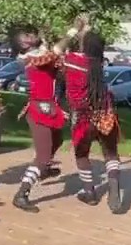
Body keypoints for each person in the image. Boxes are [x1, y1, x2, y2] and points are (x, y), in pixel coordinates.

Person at [10, 17, 83, 211]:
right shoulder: (31, 59)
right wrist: (72, 31)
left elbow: (57, 61)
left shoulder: (37, 54)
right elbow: (55, 53)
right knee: (43, 156)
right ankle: (22, 194)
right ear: (24, 43)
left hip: (48, 107)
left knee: (57, 140)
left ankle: (42, 169)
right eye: (28, 35)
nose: (32, 35)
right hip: (39, 110)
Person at [61, 26, 124, 212]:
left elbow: (56, 52)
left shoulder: (72, 61)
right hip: (105, 114)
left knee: (82, 155)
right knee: (111, 154)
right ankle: (114, 189)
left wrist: (73, 32)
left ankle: (89, 193)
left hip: (83, 118)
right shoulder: (100, 63)